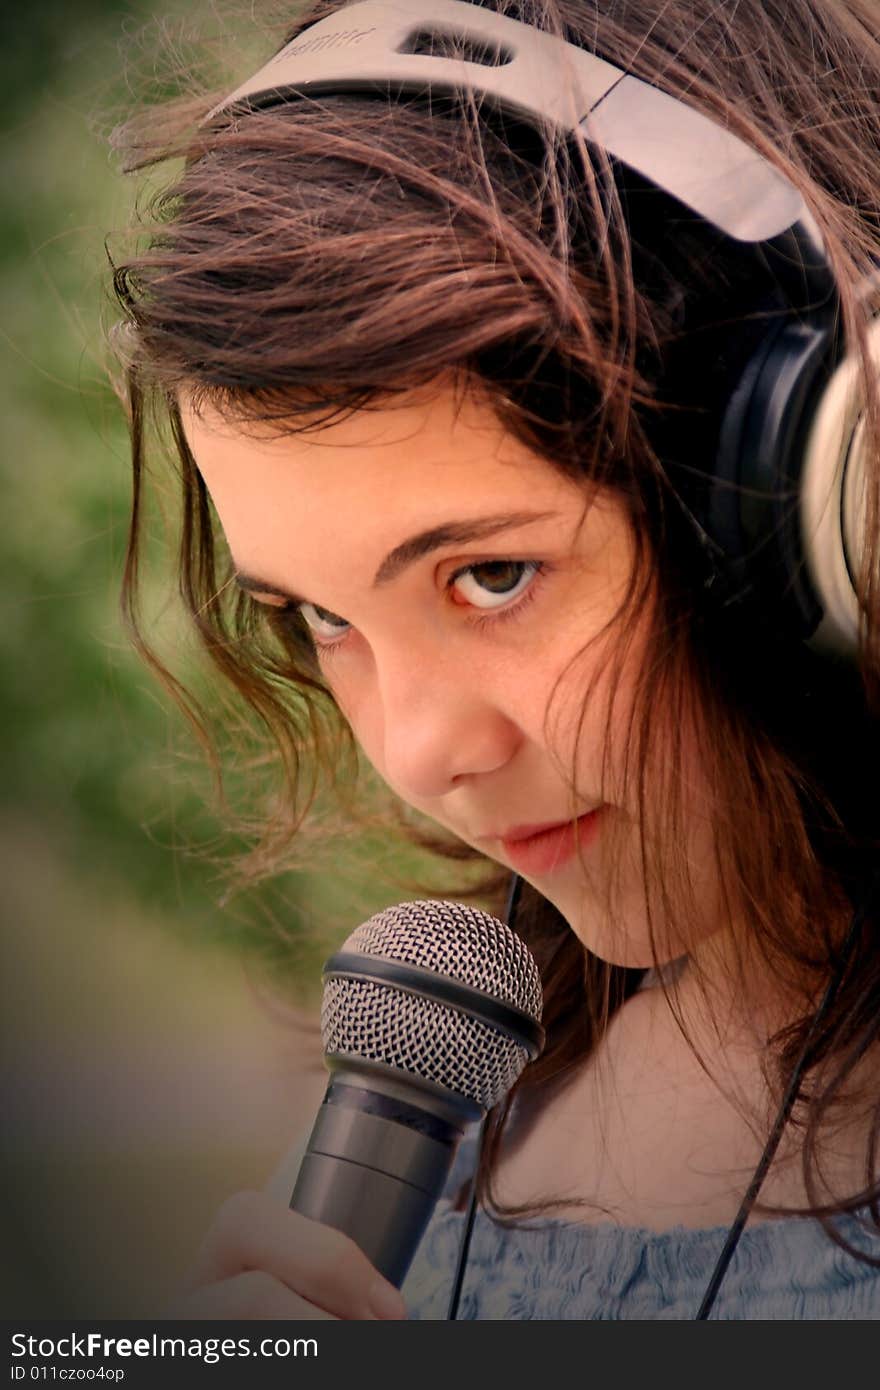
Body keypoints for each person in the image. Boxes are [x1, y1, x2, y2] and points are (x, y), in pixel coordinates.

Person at [109, 0, 880, 1318]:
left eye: (492, 575)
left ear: (822, 484)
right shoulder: (441, 1124)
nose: (416, 752)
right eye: (322, 619)